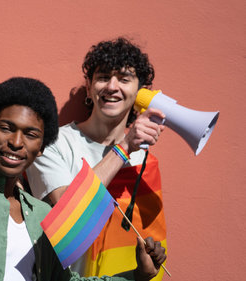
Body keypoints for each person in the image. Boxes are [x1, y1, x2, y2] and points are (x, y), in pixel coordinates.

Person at [0, 77, 166, 281]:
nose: (16, 142)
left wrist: (137, 276)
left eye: (30, 134)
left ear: (42, 147)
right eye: (6, 128)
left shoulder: (41, 215)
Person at [26, 38, 168, 279]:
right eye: (103, 77)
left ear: (140, 93)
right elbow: (69, 214)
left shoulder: (144, 161)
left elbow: (152, 243)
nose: (112, 86)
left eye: (124, 79)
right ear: (89, 87)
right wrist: (125, 147)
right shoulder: (53, 144)